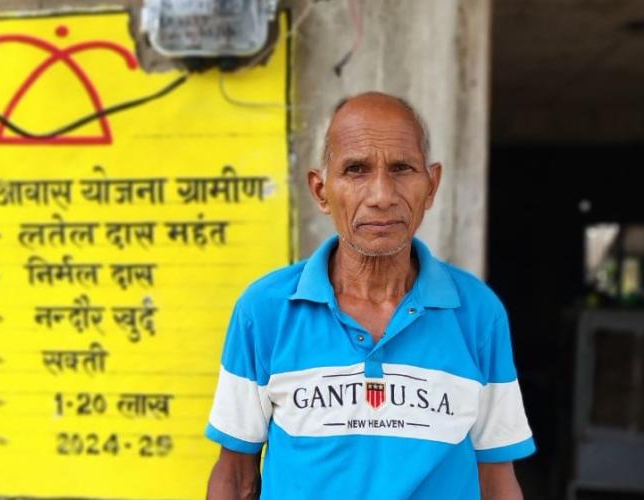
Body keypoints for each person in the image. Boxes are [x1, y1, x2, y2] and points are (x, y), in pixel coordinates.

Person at [205, 92, 535, 499]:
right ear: (321, 191)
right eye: (356, 169)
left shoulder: (478, 313)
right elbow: (236, 478)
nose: (381, 195)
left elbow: (496, 478)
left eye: (402, 168)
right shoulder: (265, 311)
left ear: (431, 185)